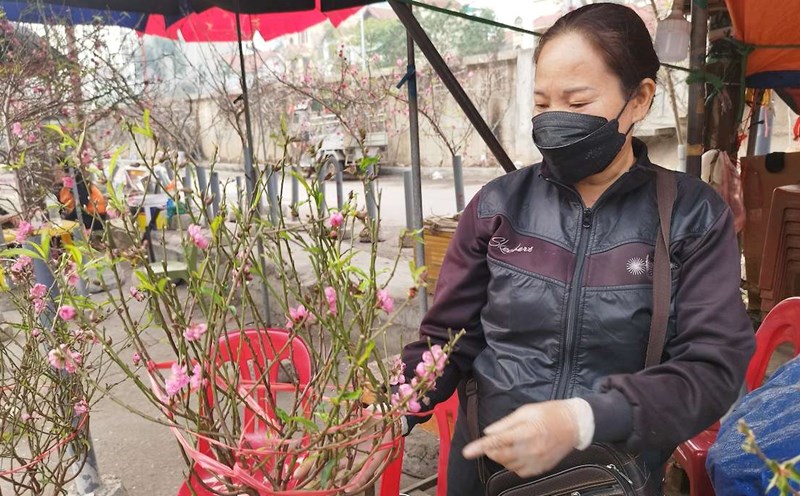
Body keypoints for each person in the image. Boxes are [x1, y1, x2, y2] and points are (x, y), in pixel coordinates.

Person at [396, 4, 756, 495]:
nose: (553, 120)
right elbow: (446, 340)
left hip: (613, 475)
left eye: (578, 101)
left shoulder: (692, 216)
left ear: (640, 99)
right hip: (485, 473)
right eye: (543, 103)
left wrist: (584, 418)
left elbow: (713, 369)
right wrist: (388, 409)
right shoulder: (498, 206)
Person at [53, 167, 108, 231]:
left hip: (94, 218)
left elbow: (80, 207)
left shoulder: (81, 185)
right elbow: (60, 206)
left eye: (58, 171)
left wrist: (66, 220)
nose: (55, 174)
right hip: (80, 217)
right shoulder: (63, 188)